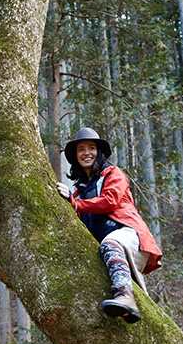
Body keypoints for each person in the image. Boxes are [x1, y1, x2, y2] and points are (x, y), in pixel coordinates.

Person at [56, 127, 162, 322]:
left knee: (110, 244)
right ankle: (126, 307)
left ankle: (125, 296)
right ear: (75, 156)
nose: (86, 153)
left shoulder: (113, 174)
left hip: (129, 235)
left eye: (91, 148)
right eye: (81, 149)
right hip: (109, 248)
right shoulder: (78, 193)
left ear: (99, 152)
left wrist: (76, 204)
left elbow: (110, 200)